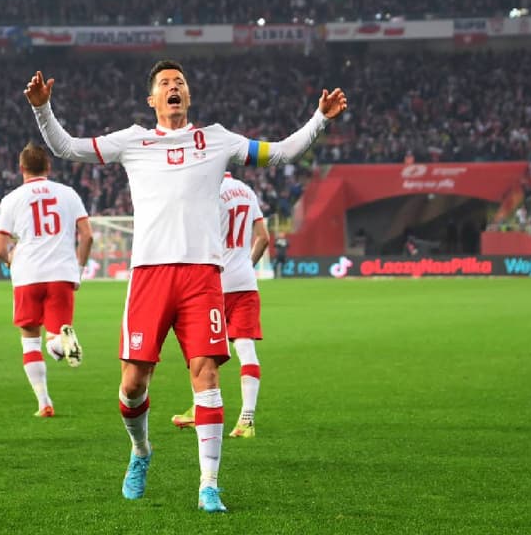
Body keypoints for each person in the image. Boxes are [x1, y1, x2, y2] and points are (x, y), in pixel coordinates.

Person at [25, 60, 346, 513]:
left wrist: (319, 120)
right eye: (164, 84)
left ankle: (209, 484)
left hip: (202, 277)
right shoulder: (132, 141)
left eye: (180, 83)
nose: (173, 88)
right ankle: (141, 452)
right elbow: (66, 148)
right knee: (133, 384)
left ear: (188, 97)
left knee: (207, 375)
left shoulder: (216, 139)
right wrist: (43, 109)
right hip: (149, 277)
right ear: (151, 99)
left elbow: (281, 153)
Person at [0, 143, 94, 417]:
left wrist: (12, 261)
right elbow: (87, 235)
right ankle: (62, 343)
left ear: (21, 168)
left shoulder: (12, 199)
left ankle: (44, 403)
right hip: (61, 272)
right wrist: (79, 267)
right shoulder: (68, 194)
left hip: (28, 275)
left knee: (30, 341)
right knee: (54, 334)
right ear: (48, 167)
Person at [172, 172, 270, 438]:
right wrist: (245, 266)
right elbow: (263, 238)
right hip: (245, 283)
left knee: (200, 349)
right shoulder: (246, 191)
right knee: (246, 349)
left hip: (213, 283)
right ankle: (247, 420)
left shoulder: (208, 192)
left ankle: (200, 407)